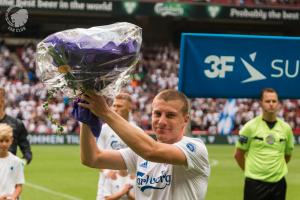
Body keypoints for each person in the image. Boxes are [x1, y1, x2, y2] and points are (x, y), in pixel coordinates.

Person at [79, 89, 210, 200]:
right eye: (157, 114)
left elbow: (151, 151)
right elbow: (92, 158)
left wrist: (105, 112)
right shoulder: (139, 154)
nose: (162, 121)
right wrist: (87, 120)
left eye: (170, 115)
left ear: (185, 120)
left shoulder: (195, 148)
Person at [234, 88, 294, 200]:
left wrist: (275, 170)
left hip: (278, 184)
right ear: (261, 103)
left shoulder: (286, 129)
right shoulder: (249, 127)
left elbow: (287, 155)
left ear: (278, 104)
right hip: (254, 184)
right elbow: (238, 155)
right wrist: (251, 171)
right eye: (267, 101)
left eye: (274, 101)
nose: (271, 104)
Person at [96, 92, 136, 200]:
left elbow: (141, 158)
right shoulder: (104, 129)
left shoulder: (136, 131)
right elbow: (96, 155)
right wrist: (106, 172)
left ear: (129, 108)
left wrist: (134, 173)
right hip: (108, 181)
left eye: (120, 106)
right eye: (114, 105)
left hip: (129, 181)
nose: (115, 108)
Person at [0, 88, 32, 165]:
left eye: (1, 96)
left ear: (4, 100)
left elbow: (26, 149)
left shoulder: (17, 124)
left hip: (9, 170)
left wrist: (23, 161)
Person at [0, 123, 25, 200]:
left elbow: (19, 185)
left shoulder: (17, 161)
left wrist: (13, 197)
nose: (4, 144)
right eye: (1, 141)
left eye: (7, 141)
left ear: (11, 141)